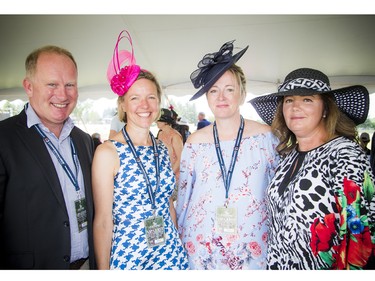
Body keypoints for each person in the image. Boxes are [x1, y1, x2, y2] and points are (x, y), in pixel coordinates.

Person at [250, 67, 375, 270]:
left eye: (307, 99)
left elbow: (360, 235)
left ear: (325, 108)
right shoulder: (288, 156)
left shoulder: (344, 154)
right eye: (289, 100)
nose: (295, 107)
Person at [176, 40, 280, 269]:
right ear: (207, 97)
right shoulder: (194, 143)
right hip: (202, 250)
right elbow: (183, 201)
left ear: (242, 94)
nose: (221, 97)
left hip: (253, 250)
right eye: (213, 90)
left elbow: (278, 196)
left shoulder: (266, 138)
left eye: (229, 89)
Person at [92, 30, 188, 270]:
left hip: (170, 254)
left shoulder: (162, 148)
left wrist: (177, 240)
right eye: (135, 98)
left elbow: (166, 204)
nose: (144, 105)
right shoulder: (108, 153)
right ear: (123, 104)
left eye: (151, 97)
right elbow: (103, 221)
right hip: (131, 258)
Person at [0, 45, 95, 269]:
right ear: (29, 87)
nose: (62, 95)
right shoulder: (4, 138)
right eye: (52, 84)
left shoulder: (83, 140)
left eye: (70, 85)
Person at [156, 108, 184, 185]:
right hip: (163, 172)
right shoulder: (160, 134)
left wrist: (170, 174)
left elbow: (180, 158)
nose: (156, 122)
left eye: (158, 120)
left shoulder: (175, 136)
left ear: (166, 122)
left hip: (174, 175)